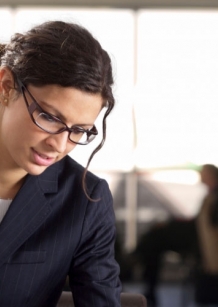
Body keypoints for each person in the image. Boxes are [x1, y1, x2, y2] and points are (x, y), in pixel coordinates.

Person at [0, 20, 121, 307]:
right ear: (5, 86)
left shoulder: (84, 201)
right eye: (50, 118)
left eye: (78, 130)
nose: (59, 144)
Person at [131, 164, 218, 306]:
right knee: (156, 237)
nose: (200, 177)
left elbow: (205, 227)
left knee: (155, 238)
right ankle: (138, 259)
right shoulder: (211, 197)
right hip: (197, 238)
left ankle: (134, 258)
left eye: (203, 174)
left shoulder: (214, 199)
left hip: (199, 244)